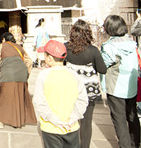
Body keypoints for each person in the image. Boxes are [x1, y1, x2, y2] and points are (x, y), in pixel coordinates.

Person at [33, 40, 88, 148]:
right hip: (71, 127)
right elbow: (82, 100)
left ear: (49, 58)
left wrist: (55, 120)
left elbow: (39, 102)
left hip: (51, 127)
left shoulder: (43, 76)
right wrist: (73, 118)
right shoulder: (74, 75)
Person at [65, 19, 107, 148]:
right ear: (88, 33)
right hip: (89, 91)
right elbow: (102, 70)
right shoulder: (93, 50)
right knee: (86, 122)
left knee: (70, 119)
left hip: (70, 89)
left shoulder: (66, 47)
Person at [100, 15, 140, 148]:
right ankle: (135, 143)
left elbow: (102, 65)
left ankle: (125, 145)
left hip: (116, 88)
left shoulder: (110, 47)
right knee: (132, 116)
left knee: (120, 120)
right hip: (131, 86)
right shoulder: (132, 43)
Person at [0, 32, 36, 129]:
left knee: (4, 98)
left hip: (8, 73)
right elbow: (29, 61)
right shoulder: (19, 47)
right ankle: (18, 120)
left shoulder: (1, 46)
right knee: (19, 96)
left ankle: (1, 120)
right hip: (22, 73)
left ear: (4, 39)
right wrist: (26, 74)